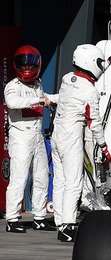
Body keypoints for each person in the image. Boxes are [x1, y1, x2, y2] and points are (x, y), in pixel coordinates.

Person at [52, 44, 111, 242]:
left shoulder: (67, 79)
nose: (101, 66)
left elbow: (96, 71)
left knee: (59, 180)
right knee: (74, 182)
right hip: (72, 134)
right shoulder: (89, 91)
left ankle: (60, 221)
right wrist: (104, 147)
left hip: (57, 133)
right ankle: (68, 227)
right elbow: (95, 123)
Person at [4, 46, 58, 233]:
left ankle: (39, 217)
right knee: (19, 178)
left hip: (37, 136)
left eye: (30, 65)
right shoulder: (12, 86)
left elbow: (46, 98)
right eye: (23, 65)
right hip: (20, 136)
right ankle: (11, 219)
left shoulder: (38, 86)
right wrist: (37, 101)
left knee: (41, 177)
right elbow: (12, 103)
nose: (27, 69)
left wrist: (63, 98)